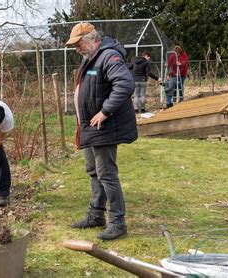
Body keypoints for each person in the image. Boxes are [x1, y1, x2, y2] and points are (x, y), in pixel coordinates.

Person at [65, 23, 138, 240]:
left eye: (78, 44)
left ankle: (118, 223)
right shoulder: (90, 59)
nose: (77, 49)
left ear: (91, 38)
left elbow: (125, 84)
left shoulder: (108, 57)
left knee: (107, 174)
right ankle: (96, 214)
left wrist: (105, 111)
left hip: (104, 127)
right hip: (90, 127)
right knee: (93, 171)